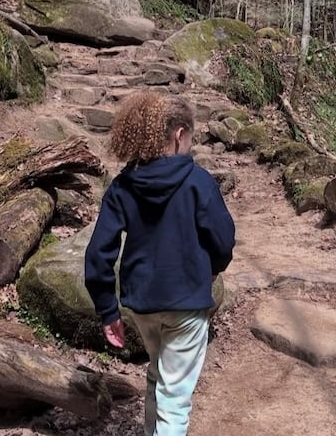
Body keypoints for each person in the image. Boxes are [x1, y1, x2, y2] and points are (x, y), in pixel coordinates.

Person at [84, 91, 236, 436]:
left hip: (143, 305)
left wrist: (107, 310)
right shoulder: (199, 182)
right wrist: (215, 267)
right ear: (180, 134)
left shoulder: (123, 186)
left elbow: (98, 253)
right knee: (175, 397)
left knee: (159, 372)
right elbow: (223, 239)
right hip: (187, 303)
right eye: (191, 139)